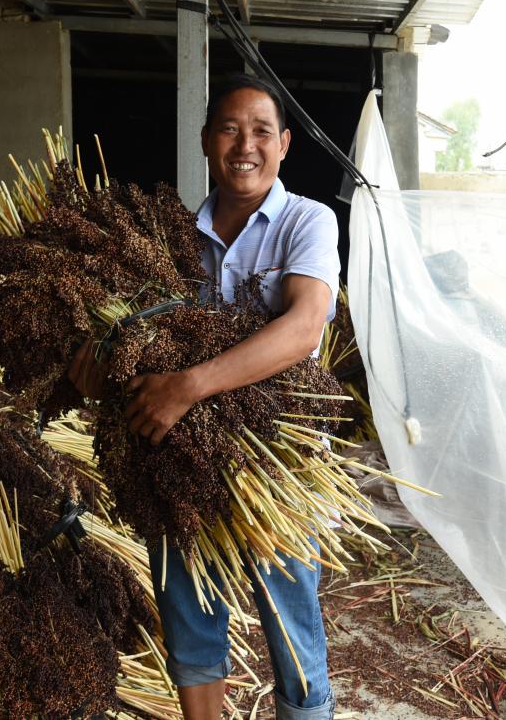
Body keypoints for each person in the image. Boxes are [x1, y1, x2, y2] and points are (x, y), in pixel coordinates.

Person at [68, 73, 339, 720]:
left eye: (261, 131)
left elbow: (303, 327)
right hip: (177, 463)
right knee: (190, 626)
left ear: (284, 144)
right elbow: (136, 347)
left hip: (275, 463)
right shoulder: (170, 239)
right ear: (205, 140)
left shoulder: (306, 221)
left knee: (293, 642)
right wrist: (97, 370)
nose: (245, 145)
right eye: (229, 129)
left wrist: (188, 385)